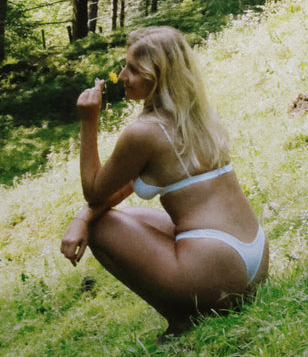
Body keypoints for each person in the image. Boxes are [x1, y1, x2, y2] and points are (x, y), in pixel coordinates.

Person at [60, 25, 268, 338]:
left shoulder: (144, 133)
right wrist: (83, 216)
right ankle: (202, 302)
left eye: (132, 69)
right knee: (119, 217)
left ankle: (183, 319)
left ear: (157, 77)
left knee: (100, 228)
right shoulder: (196, 116)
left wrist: (89, 121)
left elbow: (94, 190)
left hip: (216, 268)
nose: (121, 76)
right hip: (254, 258)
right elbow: (127, 184)